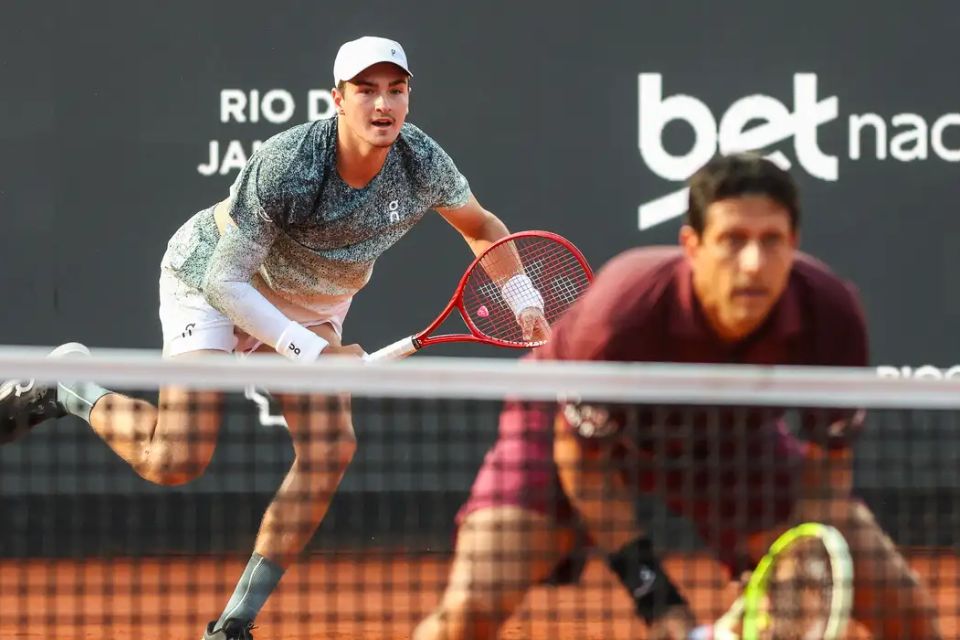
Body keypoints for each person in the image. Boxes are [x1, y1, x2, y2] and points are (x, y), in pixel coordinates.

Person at [0, 36, 549, 640]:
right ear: (336, 99)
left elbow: (482, 227)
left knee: (330, 449)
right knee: (174, 460)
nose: (382, 104)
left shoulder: (421, 160)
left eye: (395, 89)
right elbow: (224, 281)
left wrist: (522, 300)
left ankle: (235, 623)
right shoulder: (291, 163)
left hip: (314, 298)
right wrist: (314, 355)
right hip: (212, 280)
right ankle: (68, 385)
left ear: (409, 97)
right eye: (365, 90)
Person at [414, 153, 942, 639]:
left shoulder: (831, 315)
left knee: (906, 610)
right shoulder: (623, 315)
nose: (754, 263)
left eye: (772, 240)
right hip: (564, 432)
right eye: (734, 239)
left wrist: (795, 566)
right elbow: (583, 459)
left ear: (794, 241)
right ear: (693, 246)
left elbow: (829, 468)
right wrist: (658, 601)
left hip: (731, 444)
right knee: (473, 605)